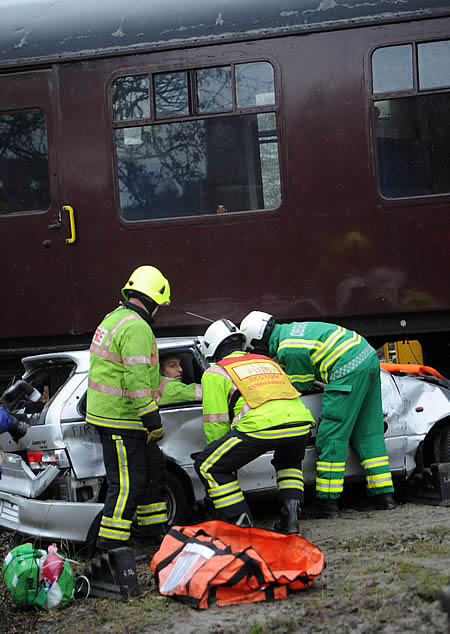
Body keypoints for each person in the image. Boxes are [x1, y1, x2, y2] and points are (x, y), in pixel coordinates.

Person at [240, 311, 395, 518]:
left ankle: (327, 504)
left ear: (258, 341)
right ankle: (384, 497)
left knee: (331, 436)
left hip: (346, 370)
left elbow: (298, 385)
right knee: (369, 432)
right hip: (367, 357)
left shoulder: (288, 350)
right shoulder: (291, 330)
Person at [194, 319, 315, 533]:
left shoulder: (215, 372)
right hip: (300, 423)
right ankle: (291, 520)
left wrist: (221, 455)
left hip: (261, 426)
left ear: (211, 348)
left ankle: (240, 524)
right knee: (288, 463)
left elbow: (216, 422)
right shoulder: (266, 361)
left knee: (207, 465)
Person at [86, 265, 171, 551]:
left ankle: (150, 533)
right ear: (152, 301)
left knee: (152, 469)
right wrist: (152, 418)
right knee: (127, 483)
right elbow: (136, 379)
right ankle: (111, 548)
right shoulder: (136, 327)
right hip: (121, 419)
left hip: (119, 417)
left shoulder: (114, 318)